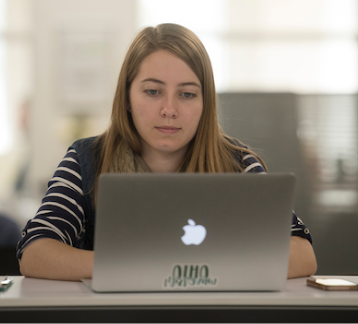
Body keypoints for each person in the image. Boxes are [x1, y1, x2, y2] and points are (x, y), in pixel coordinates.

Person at [17, 23, 317, 281]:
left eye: (187, 94)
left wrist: (183, 271)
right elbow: (35, 252)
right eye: (152, 91)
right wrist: (148, 269)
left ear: (205, 103)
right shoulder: (86, 160)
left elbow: (302, 254)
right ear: (127, 97)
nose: (169, 110)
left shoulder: (237, 164)